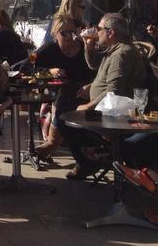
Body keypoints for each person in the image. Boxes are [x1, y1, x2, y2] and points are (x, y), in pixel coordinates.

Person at [57, 13, 148, 179]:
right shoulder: (114, 50)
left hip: (115, 113)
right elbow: (95, 66)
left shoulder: (122, 54)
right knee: (64, 101)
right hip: (106, 106)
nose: (96, 31)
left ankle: (94, 159)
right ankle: (94, 156)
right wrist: (89, 47)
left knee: (65, 117)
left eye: (99, 28)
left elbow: (114, 91)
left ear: (111, 33)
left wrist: (89, 106)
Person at [30, 14, 95, 162]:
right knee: (65, 94)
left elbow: (100, 72)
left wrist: (91, 86)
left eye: (72, 32)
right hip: (61, 94)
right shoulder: (48, 49)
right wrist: (49, 71)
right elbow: (27, 64)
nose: (69, 37)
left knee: (66, 95)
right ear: (55, 34)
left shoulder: (85, 48)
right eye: (63, 33)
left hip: (86, 91)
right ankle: (54, 142)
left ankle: (53, 143)